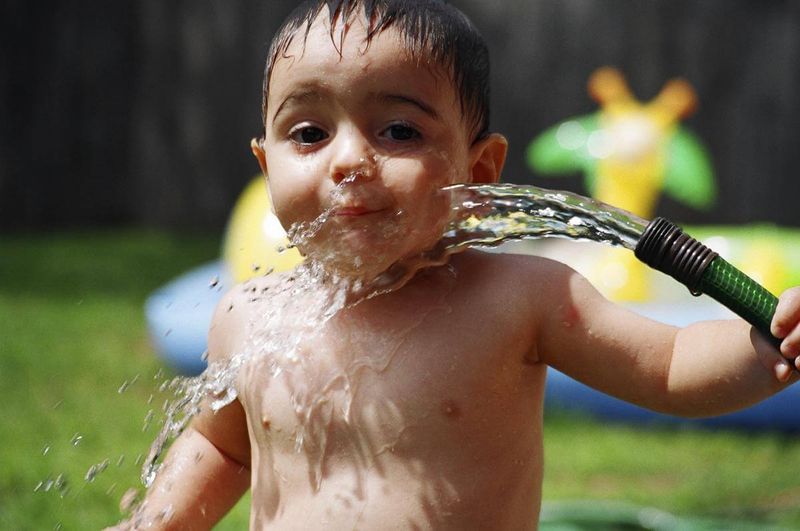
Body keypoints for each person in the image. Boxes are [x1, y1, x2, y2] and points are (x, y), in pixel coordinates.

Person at [112, 1, 800, 529]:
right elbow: (222, 448)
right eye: (309, 133)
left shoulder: (518, 297)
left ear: (479, 173)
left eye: (399, 131)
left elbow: (671, 363)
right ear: (267, 163)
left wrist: (769, 345)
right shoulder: (248, 314)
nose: (348, 160)